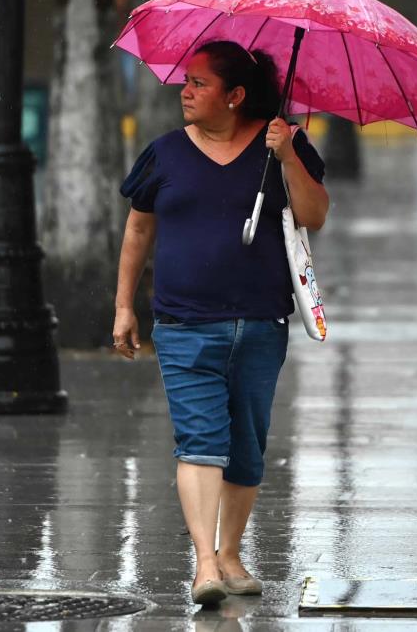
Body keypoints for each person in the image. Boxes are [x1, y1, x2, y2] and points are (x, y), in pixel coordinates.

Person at [111, 40, 329, 606]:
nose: (185, 90)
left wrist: (286, 159)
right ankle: (204, 565)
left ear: (235, 96)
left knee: (247, 447)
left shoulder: (283, 142)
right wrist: (124, 305)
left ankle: (230, 553)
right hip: (184, 326)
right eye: (186, 81)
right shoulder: (164, 154)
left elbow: (314, 216)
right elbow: (138, 231)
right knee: (200, 443)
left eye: (200, 83)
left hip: (261, 324)